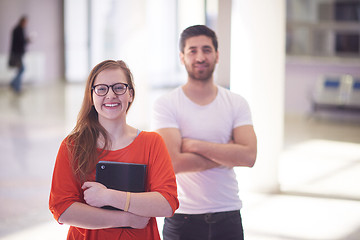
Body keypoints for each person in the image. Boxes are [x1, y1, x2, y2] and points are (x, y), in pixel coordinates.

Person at [49, 60, 179, 240]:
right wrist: (126, 218)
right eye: (101, 89)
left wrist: (108, 196)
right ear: (91, 96)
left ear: (130, 94)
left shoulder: (152, 142)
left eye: (119, 87)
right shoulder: (73, 146)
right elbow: (62, 210)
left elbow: (167, 204)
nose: (110, 95)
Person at [152, 25, 257, 240]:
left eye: (207, 50)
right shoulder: (166, 104)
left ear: (217, 55)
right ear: (182, 57)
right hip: (182, 216)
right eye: (193, 51)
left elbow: (248, 156)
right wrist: (228, 153)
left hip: (228, 212)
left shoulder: (236, 103)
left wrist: (194, 145)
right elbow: (173, 163)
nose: (200, 57)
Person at [8, 16, 29, 93]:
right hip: (17, 54)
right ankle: (14, 84)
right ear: (22, 21)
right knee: (22, 69)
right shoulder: (18, 30)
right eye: (25, 22)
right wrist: (27, 40)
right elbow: (20, 42)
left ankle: (16, 87)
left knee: (20, 70)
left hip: (18, 53)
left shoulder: (20, 30)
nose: (26, 24)